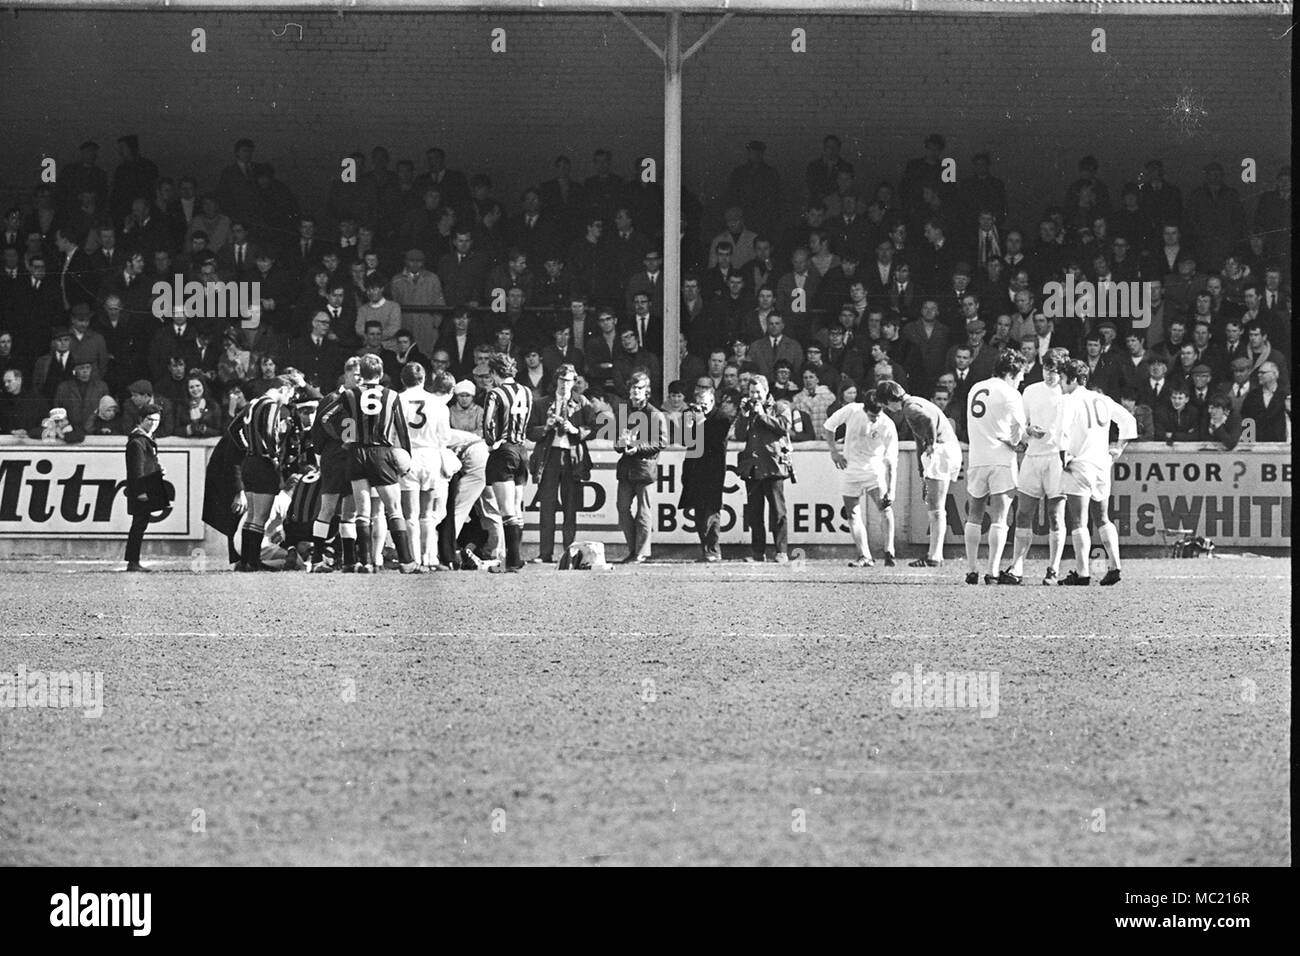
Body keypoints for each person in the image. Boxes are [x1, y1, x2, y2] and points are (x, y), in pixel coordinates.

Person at [339, 353, 421, 573]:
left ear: (361, 374)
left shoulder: (349, 394)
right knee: (394, 510)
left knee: (363, 512)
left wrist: (351, 445)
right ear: (381, 373)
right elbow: (402, 430)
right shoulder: (392, 396)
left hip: (357, 453)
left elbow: (347, 431)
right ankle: (406, 562)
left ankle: (365, 562)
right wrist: (407, 459)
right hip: (381, 453)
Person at [1057, 360, 1137, 586]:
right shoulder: (1101, 399)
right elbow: (1128, 421)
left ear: (1072, 379)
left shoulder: (1068, 400)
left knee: (1079, 521)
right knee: (1102, 517)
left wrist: (1063, 458)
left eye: (1063, 379)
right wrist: (1118, 449)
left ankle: (1082, 573)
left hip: (1079, 463)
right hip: (1102, 464)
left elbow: (1061, 432)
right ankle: (1115, 565)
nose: (1061, 384)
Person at [875, 380, 962, 567]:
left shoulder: (910, 407)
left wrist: (931, 444)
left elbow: (928, 421)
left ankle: (934, 555)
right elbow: (918, 439)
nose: (887, 408)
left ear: (890, 400)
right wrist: (922, 469)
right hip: (947, 449)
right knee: (936, 506)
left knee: (936, 508)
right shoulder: (914, 402)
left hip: (941, 450)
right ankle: (935, 554)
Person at [1002, 348, 1070, 585]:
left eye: (1055, 370)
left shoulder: (1067, 394)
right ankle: (1017, 567)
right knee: (1023, 512)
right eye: (1046, 369)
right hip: (1033, 457)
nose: (1050, 375)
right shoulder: (1030, 391)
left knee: (1055, 514)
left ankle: (1053, 568)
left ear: (1062, 372)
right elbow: (1021, 423)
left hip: (1056, 459)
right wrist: (1028, 432)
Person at [962, 348, 1027, 584]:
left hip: (977, 457)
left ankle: (970, 569)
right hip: (1001, 458)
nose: (1021, 380)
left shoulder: (975, 388)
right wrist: (1015, 441)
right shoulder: (1010, 394)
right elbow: (1020, 427)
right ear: (1011, 372)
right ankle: (992, 570)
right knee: (1000, 517)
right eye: (1020, 375)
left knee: (974, 514)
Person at [526, 363, 599, 564]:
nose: (565, 384)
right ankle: (545, 553)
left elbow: (593, 429)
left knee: (570, 507)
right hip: (549, 457)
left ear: (574, 382)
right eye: (562, 380)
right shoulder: (541, 403)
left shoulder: (582, 403)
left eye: (569, 381)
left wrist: (575, 430)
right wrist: (546, 427)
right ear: (556, 380)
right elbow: (530, 432)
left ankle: (569, 553)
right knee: (547, 506)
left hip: (572, 458)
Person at [230, 373, 299, 571]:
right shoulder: (270, 405)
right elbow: (269, 431)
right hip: (263, 464)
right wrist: (273, 454)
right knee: (260, 516)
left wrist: (248, 447)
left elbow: (233, 428)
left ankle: (246, 561)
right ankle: (253, 562)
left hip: (249, 462)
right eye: (290, 393)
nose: (289, 399)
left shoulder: (252, 403)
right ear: (283, 389)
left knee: (252, 516)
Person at [822, 391, 898, 568]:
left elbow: (892, 460)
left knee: (885, 507)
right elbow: (829, 426)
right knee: (852, 513)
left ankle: (889, 551)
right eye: (871, 416)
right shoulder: (851, 410)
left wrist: (892, 489)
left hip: (874, 471)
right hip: (850, 470)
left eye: (877, 416)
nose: (874, 420)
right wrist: (834, 451)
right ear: (864, 409)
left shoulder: (887, 424)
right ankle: (864, 555)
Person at [308, 357, 362, 572]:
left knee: (350, 512)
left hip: (353, 458)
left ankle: (349, 560)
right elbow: (317, 432)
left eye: (361, 375)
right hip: (334, 457)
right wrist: (328, 452)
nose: (358, 379)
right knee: (328, 509)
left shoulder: (361, 399)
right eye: (356, 374)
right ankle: (317, 559)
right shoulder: (332, 398)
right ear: (346, 374)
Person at [734, 373, 794, 563]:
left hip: (773, 465)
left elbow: (784, 427)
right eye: (752, 392)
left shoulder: (780, 407)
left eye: (758, 392)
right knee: (754, 513)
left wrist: (762, 415)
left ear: (766, 391)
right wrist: (744, 416)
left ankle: (781, 551)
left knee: (778, 511)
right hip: (753, 466)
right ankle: (757, 552)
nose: (755, 396)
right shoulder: (748, 409)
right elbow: (739, 434)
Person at [399, 363, 454, 568]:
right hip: (430, 456)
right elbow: (445, 436)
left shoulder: (398, 400)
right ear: (424, 380)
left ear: (403, 380)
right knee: (427, 513)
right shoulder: (436, 402)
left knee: (410, 514)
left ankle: (413, 559)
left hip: (408, 456)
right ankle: (428, 557)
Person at [482, 352, 533, 573]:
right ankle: (515, 558)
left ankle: (512, 561)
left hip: (504, 451)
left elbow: (487, 425)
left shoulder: (495, 393)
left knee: (506, 510)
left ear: (494, 373)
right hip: (522, 451)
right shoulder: (527, 391)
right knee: (516, 508)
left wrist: (492, 443)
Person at [614, 370, 667, 564]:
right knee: (622, 508)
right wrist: (621, 443)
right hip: (626, 469)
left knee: (644, 512)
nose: (636, 392)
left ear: (647, 392)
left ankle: (642, 552)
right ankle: (633, 548)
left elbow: (661, 442)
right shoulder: (623, 411)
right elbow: (616, 444)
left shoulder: (655, 414)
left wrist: (637, 447)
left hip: (645, 468)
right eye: (633, 388)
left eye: (640, 388)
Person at [678, 385, 730, 562]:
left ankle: (713, 550)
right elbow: (684, 440)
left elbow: (715, 442)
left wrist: (700, 422)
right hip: (694, 469)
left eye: (704, 404)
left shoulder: (722, 418)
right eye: (698, 404)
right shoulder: (689, 414)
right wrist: (688, 424)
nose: (700, 408)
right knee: (698, 512)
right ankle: (705, 549)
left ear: (712, 401)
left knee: (712, 511)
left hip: (713, 470)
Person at [123, 402, 170, 572]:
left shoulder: (144, 439)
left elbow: (148, 463)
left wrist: (158, 469)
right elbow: (136, 470)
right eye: (149, 419)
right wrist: (140, 492)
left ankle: (133, 560)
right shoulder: (137, 442)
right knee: (139, 525)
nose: (153, 423)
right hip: (142, 489)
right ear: (141, 419)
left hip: (146, 486)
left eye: (156, 420)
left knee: (140, 524)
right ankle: (133, 561)